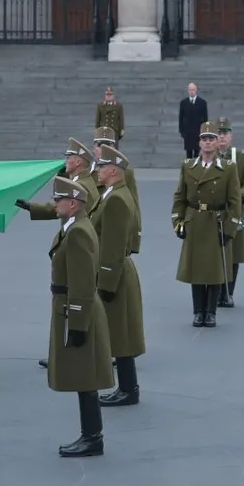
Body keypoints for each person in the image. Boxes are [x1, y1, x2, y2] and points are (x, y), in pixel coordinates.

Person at [44, 176, 114, 458]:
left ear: (73, 204)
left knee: (86, 379)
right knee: (83, 378)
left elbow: (83, 284)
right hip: (72, 308)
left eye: (59, 200)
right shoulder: (72, 227)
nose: (55, 204)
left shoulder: (78, 233)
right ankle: (90, 435)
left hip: (77, 309)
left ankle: (92, 438)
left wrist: (77, 323)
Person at [15, 137, 99, 371]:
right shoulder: (77, 180)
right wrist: (32, 207)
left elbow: (75, 213)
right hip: (77, 243)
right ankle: (65, 354)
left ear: (79, 162)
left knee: (76, 300)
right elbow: (62, 207)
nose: (65, 161)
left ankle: (77, 355)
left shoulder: (85, 187)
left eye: (69, 157)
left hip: (79, 246)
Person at [171, 122, 242, 327]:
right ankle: (197, 311)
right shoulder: (188, 166)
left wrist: (231, 228)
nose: (208, 143)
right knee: (196, 269)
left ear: (217, 143)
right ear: (199, 142)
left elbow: (235, 201)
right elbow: (180, 197)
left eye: (211, 139)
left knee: (213, 269)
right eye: (204, 139)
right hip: (195, 221)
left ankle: (210, 312)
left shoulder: (228, 168)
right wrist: (178, 221)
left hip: (216, 221)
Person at [93, 145, 145, 407]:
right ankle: (127, 387)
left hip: (115, 273)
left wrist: (106, 282)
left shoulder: (115, 199)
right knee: (121, 331)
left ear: (113, 170)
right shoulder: (114, 193)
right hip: (118, 271)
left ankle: (128, 389)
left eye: (101, 167)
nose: (98, 171)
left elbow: (112, 246)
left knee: (121, 334)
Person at [217, 117, 244, 307]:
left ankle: (228, 292)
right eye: (219, 134)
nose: (222, 137)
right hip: (214, 212)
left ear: (231, 136)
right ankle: (215, 291)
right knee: (214, 252)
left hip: (234, 212)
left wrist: (240, 196)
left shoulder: (240, 157)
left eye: (225, 133)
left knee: (234, 253)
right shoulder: (208, 157)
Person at [93, 127, 141, 254]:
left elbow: (133, 205)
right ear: (94, 147)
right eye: (100, 144)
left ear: (114, 146)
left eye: (108, 144)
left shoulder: (125, 172)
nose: (103, 148)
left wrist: (134, 240)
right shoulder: (87, 172)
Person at [178, 82, 209, 159]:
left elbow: (205, 118)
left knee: (196, 152)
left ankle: (195, 168)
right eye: (190, 89)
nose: (192, 91)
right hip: (187, 133)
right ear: (188, 90)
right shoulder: (183, 103)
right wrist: (181, 131)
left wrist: (204, 131)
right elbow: (181, 117)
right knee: (188, 153)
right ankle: (189, 169)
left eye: (193, 89)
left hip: (198, 132)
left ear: (196, 90)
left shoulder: (202, 103)